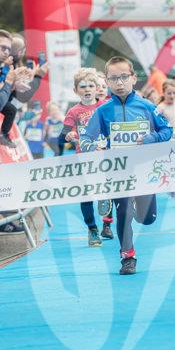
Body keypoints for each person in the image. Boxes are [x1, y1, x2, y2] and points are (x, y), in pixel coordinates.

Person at [81, 57, 173, 275]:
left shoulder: (147, 106)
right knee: (123, 213)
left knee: (147, 219)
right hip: (118, 172)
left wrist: (150, 138)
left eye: (124, 77)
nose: (119, 82)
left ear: (133, 78)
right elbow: (86, 137)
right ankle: (128, 257)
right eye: (113, 78)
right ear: (107, 81)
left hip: (145, 171)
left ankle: (137, 208)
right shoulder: (102, 111)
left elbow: (167, 130)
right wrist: (91, 146)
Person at [59, 69, 112, 246]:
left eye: (91, 86)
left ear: (97, 88)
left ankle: (107, 220)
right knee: (86, 196)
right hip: (83, 160)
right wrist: (70, 135)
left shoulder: (105, 106)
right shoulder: (74, 111)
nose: (87, 89)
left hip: (105, 158)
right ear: (76, 90)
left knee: (109, 191)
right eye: (82, 87)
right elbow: (64, 133)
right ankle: (92, 229)